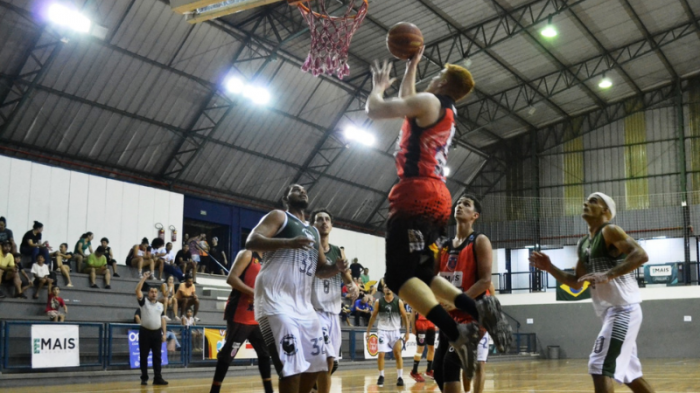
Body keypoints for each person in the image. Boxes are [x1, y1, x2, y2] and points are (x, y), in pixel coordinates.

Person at [366, 51, 511, 371]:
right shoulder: (441, 109)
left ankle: (454, 330)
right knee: (424, 275)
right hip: (435, 197)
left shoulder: (432, 103)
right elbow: (409, 98)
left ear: (443, 81)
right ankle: (476, 309)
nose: (429, 79)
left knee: (397, 276)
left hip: (414, 194)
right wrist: (411, 66)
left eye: (434, 74)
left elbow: (375, 110)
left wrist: (377, 87)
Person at [529, 193, 654, 393]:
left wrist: (609, 274)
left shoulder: (610, 231)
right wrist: (549, 267)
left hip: (624, 309)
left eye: (594, 201)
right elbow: (575, 283)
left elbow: (640, 254)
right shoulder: (583, 244)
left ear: (606, 211)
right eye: (586, 200)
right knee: (631, 375)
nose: (586, 203)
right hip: (610, 313)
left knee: (599, 365)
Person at [245, 184, 348, 393]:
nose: (302, 191)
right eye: (295, 189)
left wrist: (336, 268)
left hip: (304, 307)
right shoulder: (279, 217)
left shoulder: (313, 232)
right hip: (275, 301)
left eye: (304, 190)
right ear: (286, 198)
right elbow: (251, 241)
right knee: (291, 368)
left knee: (317, 365)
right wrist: (288, 243)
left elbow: (320, 269)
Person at [432, 194, 496, 393]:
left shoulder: (479, 241)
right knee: (437, 371)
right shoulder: (443, 246)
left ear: (475, 215)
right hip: (449, 319)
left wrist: (458, 300)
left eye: (466, 204)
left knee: (451, 364)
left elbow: (485, 280)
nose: (459, 206)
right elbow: (433, 280)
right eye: (458, 203)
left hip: (472, 318)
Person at [210, 250, 273, 393]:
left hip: (258, 315)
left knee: (264, 354)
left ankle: (269, 390)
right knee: (228, 354)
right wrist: (254, 292)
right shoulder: (247, 254)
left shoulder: (269, 259)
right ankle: (214, 390)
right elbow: (231, 279)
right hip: (240, 313)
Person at [310, 209, 358, 393]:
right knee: (321, 358)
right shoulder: (310, 248)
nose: (324, 222)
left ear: (331, 225)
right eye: (319, 219)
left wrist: (352, 285)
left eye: (327, 219)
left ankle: (315, 389)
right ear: (313, 225)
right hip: (315, 311)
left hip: (333, 313)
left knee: (331, 361)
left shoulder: (338, 250)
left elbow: (346, 276)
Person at [366, 286, 410, 387]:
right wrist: (368, 331)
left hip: (395, 331)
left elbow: (405, 317)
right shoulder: (378, 302)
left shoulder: (398, 302)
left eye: (390, 287)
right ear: (383, 290)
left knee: (398, 354)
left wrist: (407, 332)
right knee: (381, 354)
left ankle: (400, 377)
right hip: (382, 331)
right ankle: (381, 376)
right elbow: (373, 317)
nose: (388, 289)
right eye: (386, 287)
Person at [135, 272, 168, 386]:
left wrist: (164, 334)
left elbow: (163, 319)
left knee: (157, 356)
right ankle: (144, 378)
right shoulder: (144, 302)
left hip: (157, 333)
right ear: (148, 293)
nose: (153, 294)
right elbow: (137, 291)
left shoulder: (161, 305)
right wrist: (143, 278)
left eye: (155, 292)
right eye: (151, 292)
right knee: (144, 356)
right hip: (145, 332)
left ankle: (157, 378)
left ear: (158, 294)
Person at [410, 308, 437, 382]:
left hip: (430, 322)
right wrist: (413, 327)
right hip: (421, 323)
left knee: (431, 348)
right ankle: (414, 371)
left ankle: (429, 370)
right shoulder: (417, 299)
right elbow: (413, 312)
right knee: (420, 349)